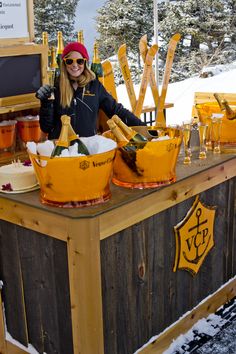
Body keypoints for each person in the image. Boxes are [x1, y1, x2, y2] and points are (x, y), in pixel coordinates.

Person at [36, 41, 145, 139]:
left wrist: (143, 128)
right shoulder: (56, 87)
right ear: (64, 63)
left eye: (79, 61)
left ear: (85, 63)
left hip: (88, 148)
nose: (75, 65)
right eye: (69, 61)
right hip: (62, 150)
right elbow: (46, 128)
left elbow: (116, 110)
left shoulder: (94, 86)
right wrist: (46, 103)